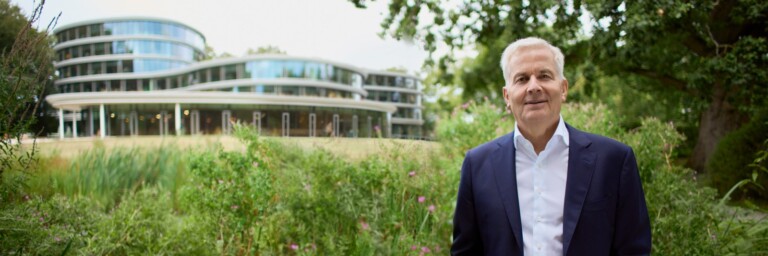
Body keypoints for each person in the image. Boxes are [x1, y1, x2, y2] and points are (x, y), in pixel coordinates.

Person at [451, 37, 651, 255]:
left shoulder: (613, 160)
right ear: (507, 96)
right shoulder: (478, 165)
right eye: (522, 79)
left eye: (544, 76)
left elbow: (634, 249)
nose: (534, 87)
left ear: (563, 88)